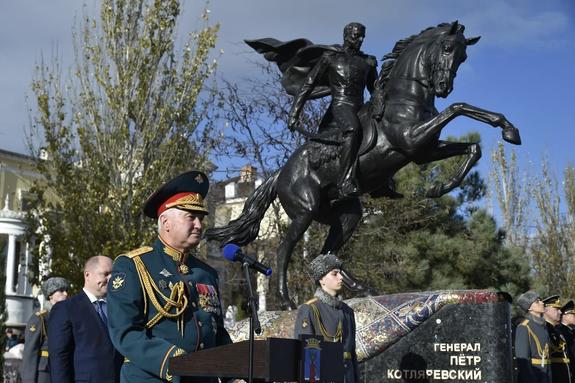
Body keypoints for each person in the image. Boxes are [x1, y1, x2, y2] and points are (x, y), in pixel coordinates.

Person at [107, 170, 232, 382]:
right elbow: (125, 333)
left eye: (200, 218)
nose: (199, 225)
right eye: (191, 217)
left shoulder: (206, 273)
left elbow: (217, 333)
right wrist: (174, 361)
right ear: (165, 222)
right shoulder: (134, 266)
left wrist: (234, 375)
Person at [288, 22, 378, 199]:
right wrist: (294, 113)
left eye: (362, 36)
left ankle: (384, 183)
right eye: (356, 35)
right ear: (346, 35)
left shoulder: (368, 62)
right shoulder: (330, 58)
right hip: (341, 105)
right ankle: (344, 181)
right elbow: (308, 85)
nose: (359, 39)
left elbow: (374, 90)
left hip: (361, 106)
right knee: (352, 129)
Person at [48, 256, 123, 383]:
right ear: (87, 275)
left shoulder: (118, 308)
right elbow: (59, 357)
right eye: (106, 274)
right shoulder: (66, 309)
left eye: (113, 274)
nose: (111, 278)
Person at [294, 253, 358, 383]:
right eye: (335, 274)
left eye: (340, 273)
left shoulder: (347, 312)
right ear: (322, 280)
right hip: (324, 377)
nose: (340, 277)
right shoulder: (310, 309)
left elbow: (352, 354)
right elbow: (307, 355)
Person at [20, 276, 69, 383]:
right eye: (61, 291)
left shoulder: (68, 317)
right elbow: (30, 351)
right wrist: (29, 380)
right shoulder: (40, 318)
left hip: (63, 370)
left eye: (66, 290)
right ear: (50, 295)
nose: (65, 294)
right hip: (44, 372)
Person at [515, 290, 553, 383]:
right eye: (537, 301)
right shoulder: (524, 327)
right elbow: (523, 361)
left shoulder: (543, 326)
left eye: (540, 300)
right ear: (529, 308)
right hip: (534, 376)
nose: (542, 302)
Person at [542, 295, 572, 382]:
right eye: (556, 309)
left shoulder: (558, 330)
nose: (560, 312)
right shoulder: (543, 329)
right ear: (546, 310)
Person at [558, 300, 575, 382]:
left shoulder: (571, 330)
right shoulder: (561, 331)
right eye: (572, 314)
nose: (574, 317)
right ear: (564, 316)